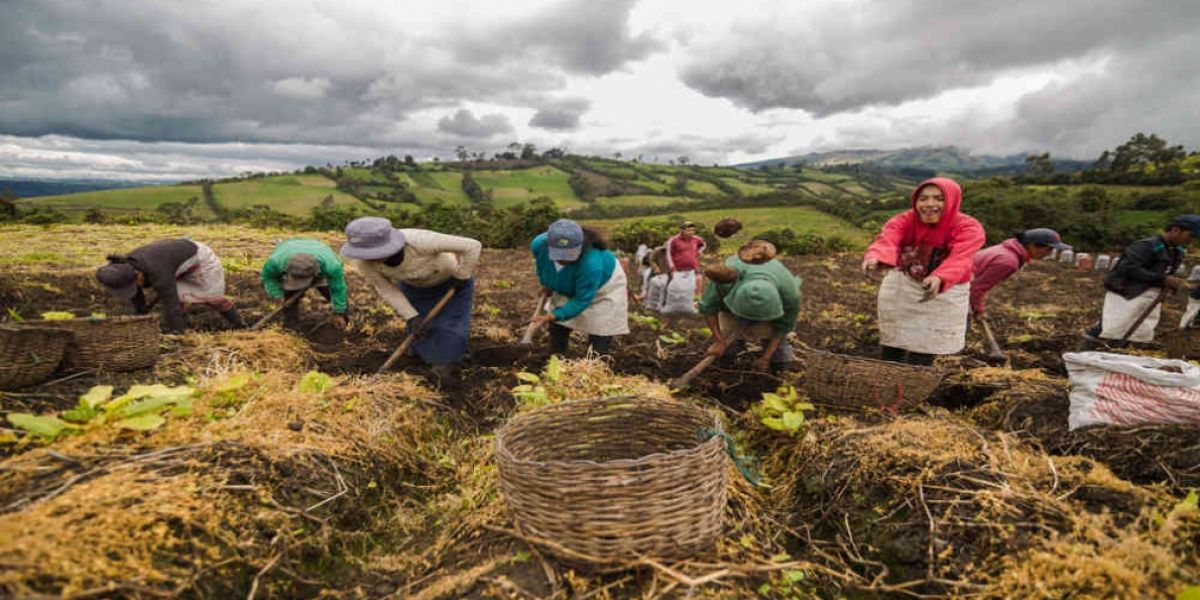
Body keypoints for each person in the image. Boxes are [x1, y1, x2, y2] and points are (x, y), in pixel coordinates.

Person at [340, 217, 481, 385]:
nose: (369, 258)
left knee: (450, 330)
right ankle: (423, 357)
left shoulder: (418, 240)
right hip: (415, 290)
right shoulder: (364, 264)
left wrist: (462, 276)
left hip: (452, 286)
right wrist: (411, 316)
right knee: (421, 331)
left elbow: (472, 246)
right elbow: (386, 289)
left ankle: (448, 363)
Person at [861, 178, 985, 365]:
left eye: (938, 199)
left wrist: (940, 277)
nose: (929, 204)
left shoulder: (968, 227)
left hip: (945, 290)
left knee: (928, 343)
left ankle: (915, 382)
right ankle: (888, 376)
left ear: (952, 201)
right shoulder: (905, 220)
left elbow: (960, 258)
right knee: (895, 339)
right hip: (906, 283)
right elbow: (888, 238)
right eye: (923, 198)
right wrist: (877, 257)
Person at [1080, 215, 1200, 348]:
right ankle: (1083, 353)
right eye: (1190, 236)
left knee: (1137, 331)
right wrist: (1162, 279)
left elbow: (1167, 273)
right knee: (1112, 326)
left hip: (1148, 296)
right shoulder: (1147, 246)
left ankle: (1117, 354)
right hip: (1127, 292)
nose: (1191, 240)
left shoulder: (1177, 252)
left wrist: (1171, 284)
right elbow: (1128, 268)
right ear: (1176, 230)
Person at [96, 238, 245, 333]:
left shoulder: (158, 272)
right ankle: (184, 322)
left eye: (134, 283)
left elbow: (170, 304)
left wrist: (179, 335)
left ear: (138, 274)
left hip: (201, 260)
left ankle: (240, 326)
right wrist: (140, 318)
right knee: (173, 294)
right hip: (175, 262)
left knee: (212, 297)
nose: (135, 287)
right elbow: (136, 294)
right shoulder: (129, 266)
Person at [530, 219, 629, 355]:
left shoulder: (591, 264)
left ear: (580, 246)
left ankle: (595, 365)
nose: (563, 260)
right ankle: (556, 357)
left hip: (604, 287)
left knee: (600, 328)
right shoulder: (539, 245)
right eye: (558, 255)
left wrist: (549, 317)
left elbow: (582, 299)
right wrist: (549, 283)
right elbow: (543, 267)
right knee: (558, 326)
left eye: (569, 255)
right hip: (572, 281)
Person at [699, 243, 802, 372]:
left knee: (780, 357)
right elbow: (708, 308)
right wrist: (718, 341)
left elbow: (783, 327)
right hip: (732, 312)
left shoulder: (789, 294)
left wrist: (766, 358)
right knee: (727, 350)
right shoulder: (725, 278)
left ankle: (779, 371)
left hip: (769, 314)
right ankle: (727, 371)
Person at [970, 229, 1070, 319]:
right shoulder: (1008, 262)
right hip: (958, 288)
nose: (1049, 253)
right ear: (1033, 245)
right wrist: (979, 309)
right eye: (1049, 249)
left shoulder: (1005, 250)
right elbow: (977, 288)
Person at [260, 238, 349, 330]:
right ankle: (291, 327)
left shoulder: (332, 266)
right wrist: (277, 295)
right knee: (290, 297)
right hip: (288, 250)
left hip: (322, 264)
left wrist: (339, 312)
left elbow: (338, 289)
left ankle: (343, 323)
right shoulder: (276, 262)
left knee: (332, 294)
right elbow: (268, 278)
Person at [667, 221, 707, 298]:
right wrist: (672, 267)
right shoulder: (673, 240)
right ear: (682, 230)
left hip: (693, 267)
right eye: (688, 230)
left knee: (694, 285)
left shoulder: (696, 239)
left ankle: (695, 302)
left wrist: (698, 252)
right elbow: (668, 254)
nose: (691, 232)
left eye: (692, 230)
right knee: (679, 288)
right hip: (678, 269)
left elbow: (704, 244)